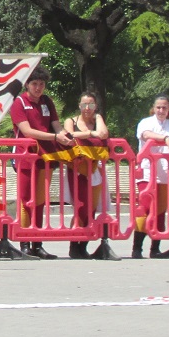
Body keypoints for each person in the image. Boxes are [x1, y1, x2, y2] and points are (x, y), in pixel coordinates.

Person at [8, 68, 73, 258]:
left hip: (46, 156)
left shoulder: (47, 101)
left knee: (40, 201)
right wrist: (55, 136)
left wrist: (64, 136)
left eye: (41, 85)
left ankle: (37, 243)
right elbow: (27, 131)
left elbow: (56, 124)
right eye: (34, 84)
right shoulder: (19, 103)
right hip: (25, 156)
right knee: (26, 200)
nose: (38, 88)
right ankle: (24, 242)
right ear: (27, 84)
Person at [133, 95, 169, 258]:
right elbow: (146, 134)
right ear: (153, 108)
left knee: (160, 210)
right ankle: (137, 248)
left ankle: (155, 248)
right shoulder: (146, 122)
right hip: (148, 172)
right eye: (158, 107)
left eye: (164, 107)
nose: (161, 110)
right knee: (145, 208)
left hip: (167, 174)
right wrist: (166, 138)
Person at [62, 92, 110, 259]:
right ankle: (74, 244)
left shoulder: (97, 120)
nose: (87, 108)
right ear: (79, 106)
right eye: (84, 105)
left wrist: (98, 119)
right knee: (81, 206)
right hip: (76, 167)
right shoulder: (71, 120)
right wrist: (90, 134)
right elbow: (69, 135)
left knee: (92, 208)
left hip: (95, 168)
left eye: (90, 105)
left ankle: (84, 245)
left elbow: (103, 133)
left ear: (95, 106)